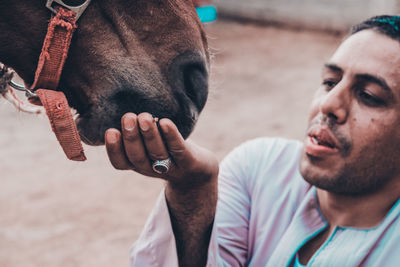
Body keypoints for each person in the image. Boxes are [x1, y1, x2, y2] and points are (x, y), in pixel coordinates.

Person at [105, 15, 400, 267]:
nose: (329, 105)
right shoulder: (260, 169)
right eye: (329, 82)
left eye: (369, 96)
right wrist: (191, 192)